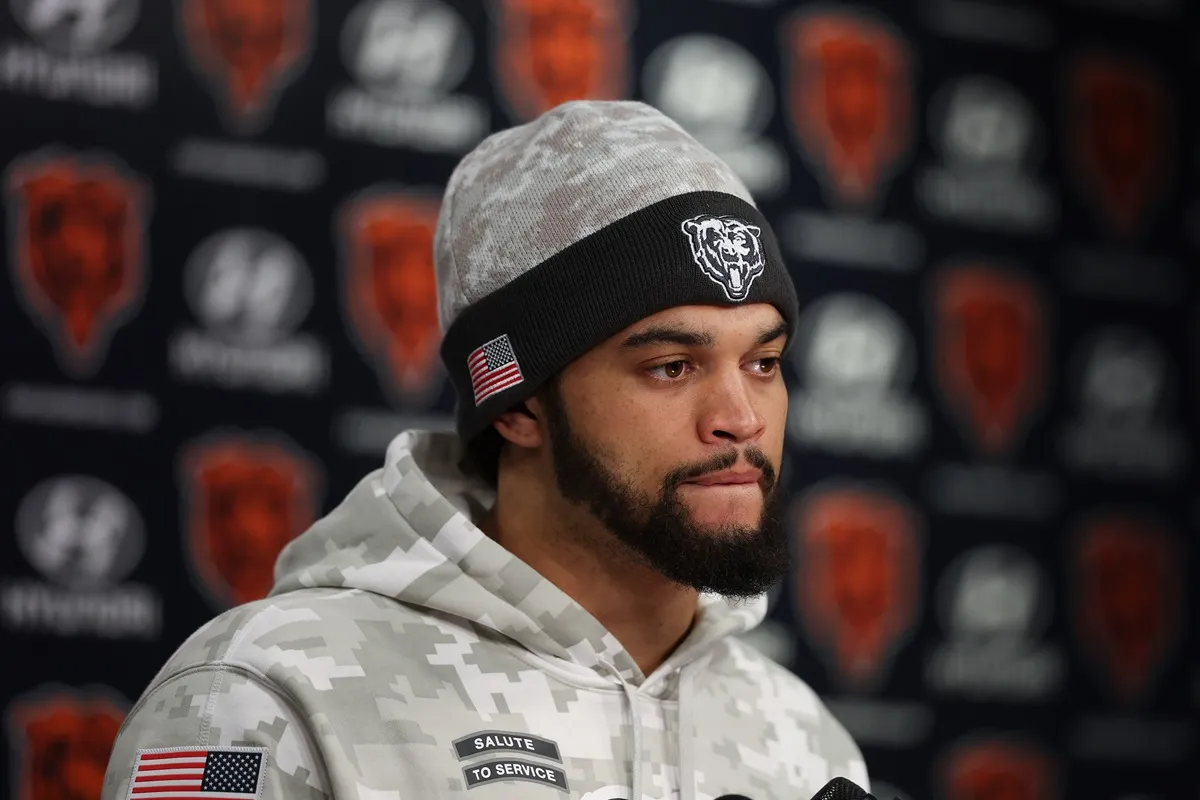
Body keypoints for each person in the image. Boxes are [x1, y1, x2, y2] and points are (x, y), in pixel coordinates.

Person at [101, 101, 869, 800]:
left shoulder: (802, 738)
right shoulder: (267, 693)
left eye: (763, 363)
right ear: (519, 404)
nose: (740, 418)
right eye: (670, 367)